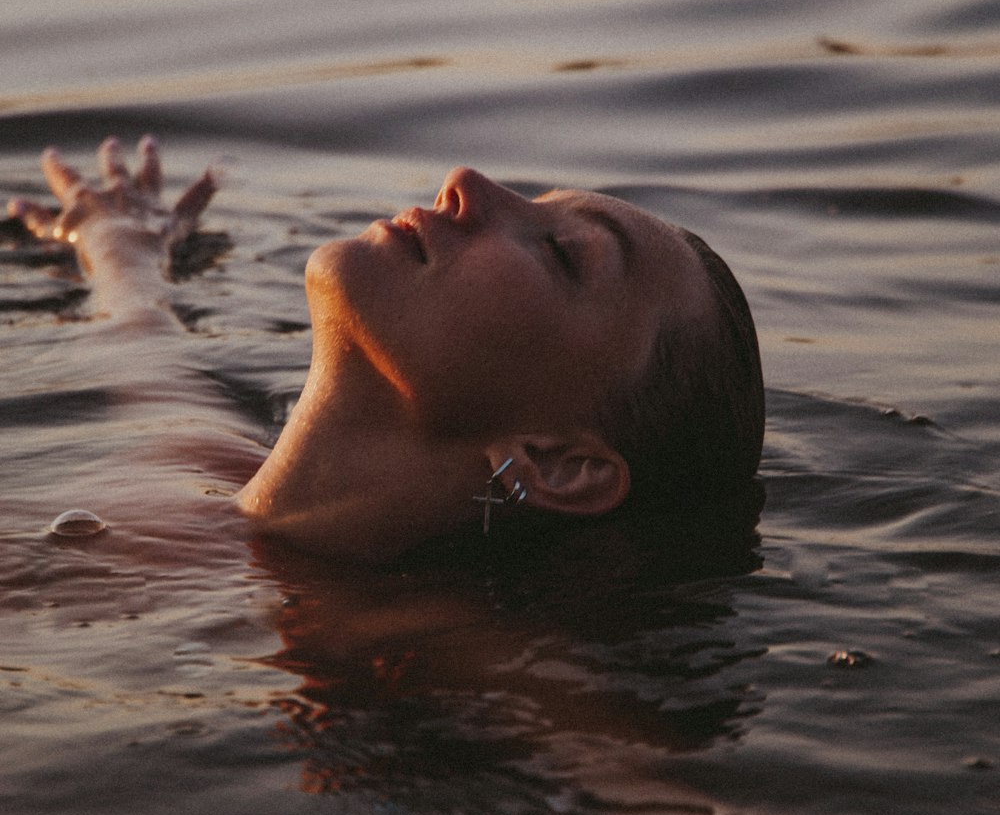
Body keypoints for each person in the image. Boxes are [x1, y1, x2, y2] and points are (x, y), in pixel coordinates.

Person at [7, 135, 764, 565]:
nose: (467, 181)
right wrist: (118, 243)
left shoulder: (392, 641)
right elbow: (143, 342)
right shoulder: (199, 461)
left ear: (559, 463)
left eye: (565, 254)